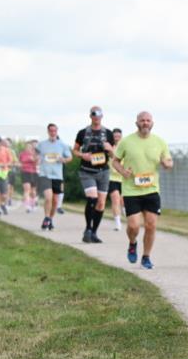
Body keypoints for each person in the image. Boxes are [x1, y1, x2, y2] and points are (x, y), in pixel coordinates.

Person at [112, 111, 173, 269]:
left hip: (152, 189)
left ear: (152, 123)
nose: (145, 123)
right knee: (133, 225)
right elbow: (115, 161)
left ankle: (146, 256)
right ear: (137, 123)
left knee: (151, 224)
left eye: (148, 120)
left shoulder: (160, 142)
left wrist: (166, 164)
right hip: (131, 190)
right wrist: (123, 172)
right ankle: (132, 243)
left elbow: (168, 161)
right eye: (142, 120)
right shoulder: (126, 142)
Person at [74, 106, 114, 243]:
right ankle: (88, 229)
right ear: (90, 116)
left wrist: (109, 149)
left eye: (99, 114)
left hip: (103, 171)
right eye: (93, 114)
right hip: (87, 171)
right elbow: (75, 150)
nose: (96, 116)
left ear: (102, 116)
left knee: (101, 203)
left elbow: (114, 155)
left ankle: (94, 232)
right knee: (92, 198)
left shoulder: (108, 133)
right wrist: (82, 155)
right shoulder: (83, 132)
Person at [37, 123, 72, 230]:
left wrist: (64, 160)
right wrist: (37, 159)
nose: (52, 133)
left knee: (55, 201)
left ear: (57, 132)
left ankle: (50, 219)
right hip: (45, 174)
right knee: (48, 197)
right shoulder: (41, 144)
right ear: (48, 132)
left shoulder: (62, 145)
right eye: (51, 131)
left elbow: (70, 157)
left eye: (54, 131)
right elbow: (36, 156)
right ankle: (46, 218)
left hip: (57, 175)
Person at [108, 128, 124, 231]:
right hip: (111, 177)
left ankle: (124, 209)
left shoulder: (125, 147)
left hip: (124, 177)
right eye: (115, 136)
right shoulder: (109, 147)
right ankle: (118, 223)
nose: (117, 138)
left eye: (119, 136)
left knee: (122, 200)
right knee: (115, 199)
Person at [19, 140, 40, 213]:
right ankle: (27, 206)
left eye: (29, 146)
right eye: (27, 146)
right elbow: (19, 162)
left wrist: (35, 158)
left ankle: (33, 204)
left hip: (34, 173)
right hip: (25, 172)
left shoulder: (34, 153)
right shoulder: (22, 154)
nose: (28, 147)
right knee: (27, 189)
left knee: (33, 191)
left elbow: (37, 162)